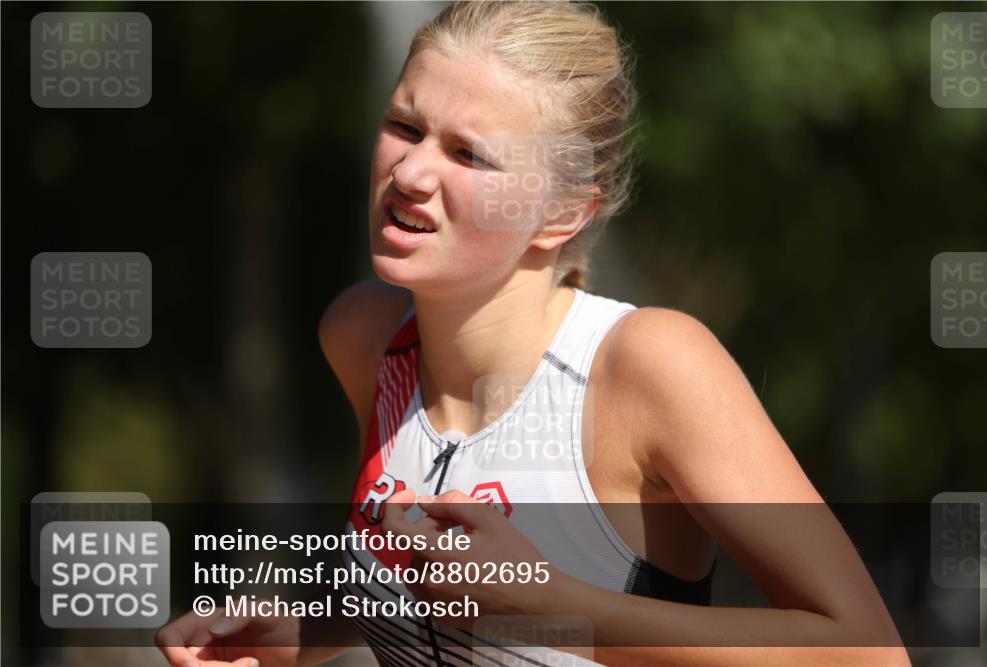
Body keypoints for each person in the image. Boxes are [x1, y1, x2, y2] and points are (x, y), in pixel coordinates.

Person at [158, 1, 911, 665]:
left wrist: (545, 602)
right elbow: (445, 591)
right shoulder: (363, 337)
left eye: (468, 153)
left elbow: (866, 652)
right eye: (404, 126)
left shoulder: (649, 364)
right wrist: (302, 632)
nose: (411, 172)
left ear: (564, 215)